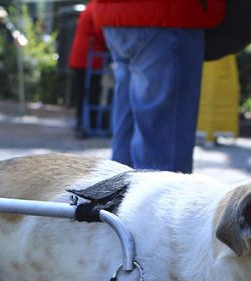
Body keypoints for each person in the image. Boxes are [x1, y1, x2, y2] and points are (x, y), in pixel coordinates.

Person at [90, 0, 225, 173]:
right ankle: (151, 197)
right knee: (162, 159)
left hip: (114, 14)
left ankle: (119, 197)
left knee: (126, 140)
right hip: (166, 14)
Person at [68, 3, 110, 137]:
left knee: (83, 93)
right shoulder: (96, 6)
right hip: (89, 56)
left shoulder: (91, 6)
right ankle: (87, 124)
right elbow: (101, 30)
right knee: (91, 92)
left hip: (81, 56)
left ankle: (82, 122)